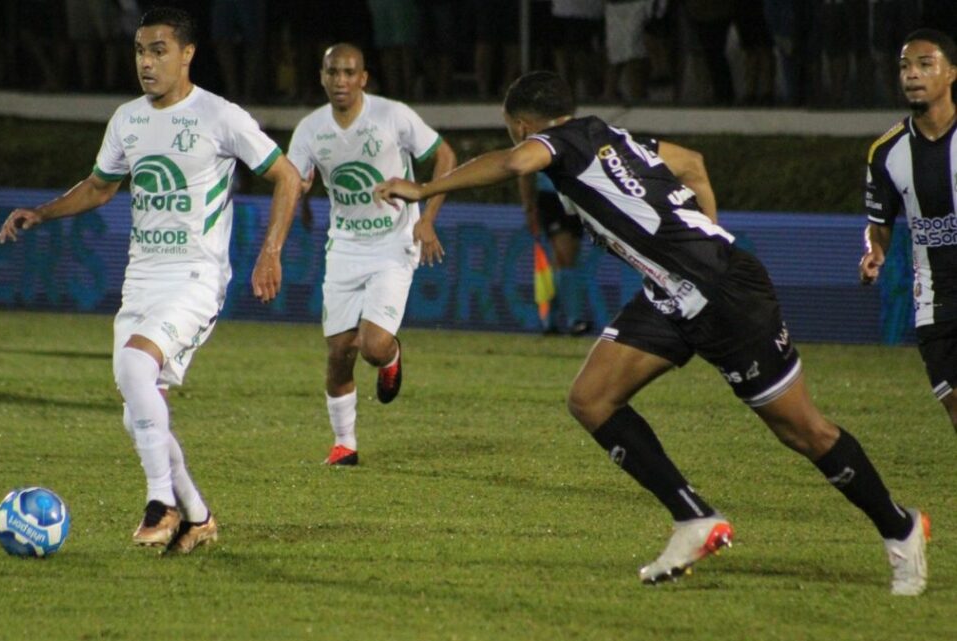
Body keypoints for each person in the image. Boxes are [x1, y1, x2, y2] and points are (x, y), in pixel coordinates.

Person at [375, 71, 929, 595]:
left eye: (514, 129)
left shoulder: (559, 141)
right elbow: (693, 163)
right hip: (673, 294)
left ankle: (899, 527)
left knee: (802, 431)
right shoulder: (610, 135)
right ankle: (693, 517)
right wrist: (712, 231)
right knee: (591, 399)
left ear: (521, 123)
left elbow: (515, 162)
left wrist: (423, 190)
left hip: (723, 294)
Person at [0, 6, 300, 553]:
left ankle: (160, 505)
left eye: (159, 50)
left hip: (196, 274)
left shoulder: (220, 116)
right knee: (137, 410)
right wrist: (42, 211)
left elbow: (288, 176)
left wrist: (270, 252)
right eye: (140, 50)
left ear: (187, 55)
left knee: (137, 367)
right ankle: (199, 517)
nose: (146, 62)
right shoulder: (128, 120)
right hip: (142, 277)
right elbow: (98, 186)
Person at [287, 43, 456, 466]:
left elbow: (445, 156)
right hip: (344, 245)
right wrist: (297, 191)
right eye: (333, 73)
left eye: (349, 73)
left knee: (372, 346)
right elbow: (294, 180)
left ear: (363, 78)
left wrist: (427, 217)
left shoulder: (392, 115)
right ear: (322, 77)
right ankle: (345, 444)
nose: (341, 81)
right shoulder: (310, 129)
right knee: (339, 350)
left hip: (394, 244)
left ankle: (391, 356)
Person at [861, 29, 957, 437]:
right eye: (904, 66)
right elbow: (878, 225)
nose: (912, 75)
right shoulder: (886, 151)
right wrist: (874, 252)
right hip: (934, 299)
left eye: (924, 64)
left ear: (951, 73)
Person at [518, 171, 590, 335]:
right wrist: (528, 205)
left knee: (565, 261)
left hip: (577, 197)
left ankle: (549, 322)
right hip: (552, 198)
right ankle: (574, 320)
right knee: (564, 258)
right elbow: (525, 171)